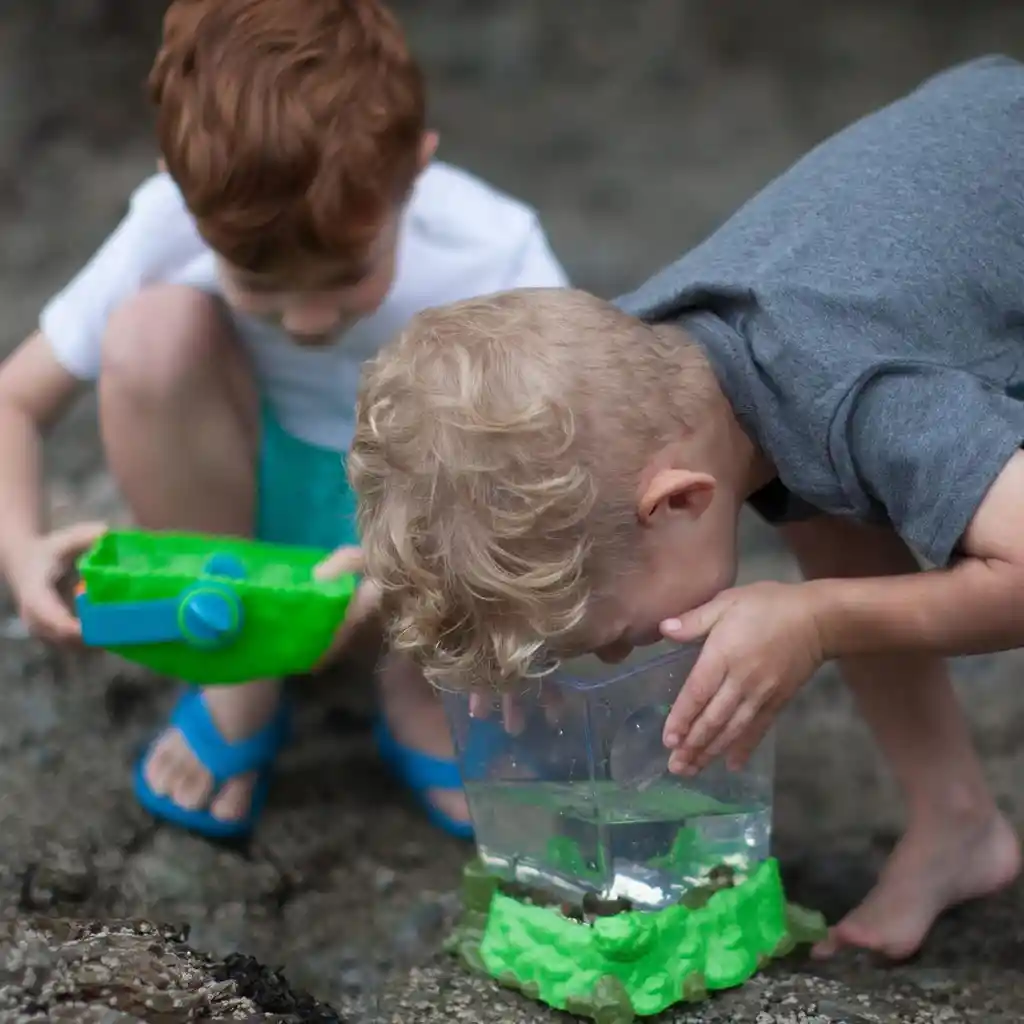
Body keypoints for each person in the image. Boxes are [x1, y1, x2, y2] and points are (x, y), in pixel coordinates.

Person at [348, 54, 1024, 960]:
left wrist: (819, 620)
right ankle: (958, 824)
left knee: (841, 534)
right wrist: (468, 604)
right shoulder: (635, 376)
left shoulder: (861, 389)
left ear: (675, 503)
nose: (628, 653)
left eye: (617, 634)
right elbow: (478, 481)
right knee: (819, 499)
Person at [0, 0, 566, 841]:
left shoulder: (489, 246)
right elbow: (15, 399)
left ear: (415, 169)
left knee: (508, 384)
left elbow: (581, 442)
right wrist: (19, 549)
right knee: (151, 335)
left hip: (425, 525)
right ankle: (240, 670)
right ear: (183, 192)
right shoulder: (169, 220)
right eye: (259, 283)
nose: (306, 320)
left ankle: (422, 675)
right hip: (243, 504)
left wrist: (418, 569)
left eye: (345, 274)